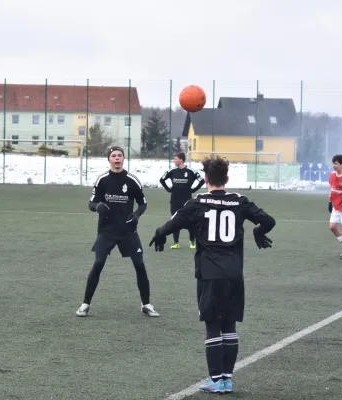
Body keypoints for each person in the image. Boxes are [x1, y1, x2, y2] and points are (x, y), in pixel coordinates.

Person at [148, 156, 275, 394]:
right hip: (235, 273)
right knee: (230, 325)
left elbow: (171, 224)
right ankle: (226, 379)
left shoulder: (196, 204)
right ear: (226, 179)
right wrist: (259, 231)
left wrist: (160, 234)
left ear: (205, 179)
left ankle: (216, 381)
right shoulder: (240, 201)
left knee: (212, 326)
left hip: (210, 274)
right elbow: (268, 220)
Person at [76, 146, 159, 318]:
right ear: (109, 159)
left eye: (120, 155)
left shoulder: (132, 180)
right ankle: (85, 304)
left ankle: (146, 304)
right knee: (98, 264)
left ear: (123, 159)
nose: (117, 158)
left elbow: (143, 203)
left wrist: (137, 215)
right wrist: (97, 206)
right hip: (106, 231)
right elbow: (91, 204)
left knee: (140, 265)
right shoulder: (102, 180)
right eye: (113, 156)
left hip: (128, 230)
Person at [159, 152, 205, 249]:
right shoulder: (172, 171)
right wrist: (168, 189)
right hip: (175, 201)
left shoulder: (191, 171)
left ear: (181, 159)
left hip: (187, 201)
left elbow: (202, 180)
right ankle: (176, 242)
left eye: (175, 158)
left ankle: (192, 242)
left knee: (191, 221)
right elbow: (162, 180)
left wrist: (193, 189)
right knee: (175, 222)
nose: (174, 160)